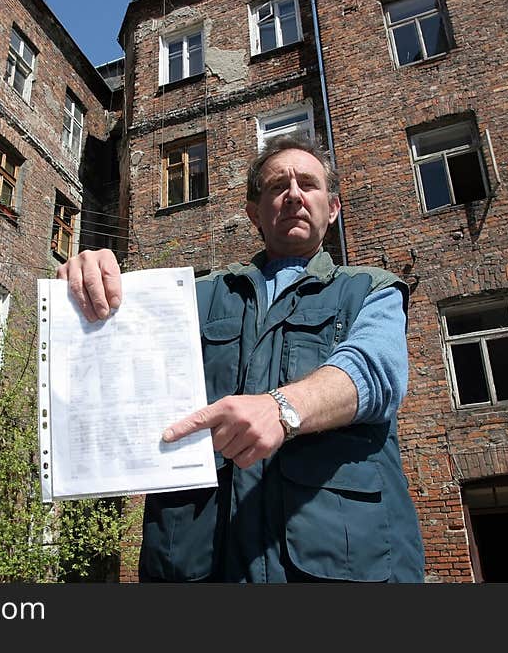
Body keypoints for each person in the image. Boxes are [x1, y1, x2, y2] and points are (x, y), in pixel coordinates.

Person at [57, 134, 425, 582]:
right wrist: (88, 279)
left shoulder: (371, 289)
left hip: (339, 567)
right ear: (254, 213)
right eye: (276, 186)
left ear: (332, 209)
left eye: (307, 184)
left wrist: (282, 409)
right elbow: (111, 362)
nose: (293, 194)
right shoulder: (196, 297)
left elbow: (376, 371)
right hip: (198, 566)